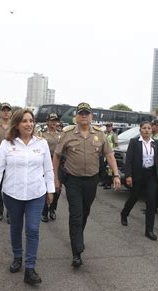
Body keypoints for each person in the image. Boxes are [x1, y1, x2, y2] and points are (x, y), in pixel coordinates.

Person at [0, 109, 55, 286]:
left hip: (36, 194)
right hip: (12, 194)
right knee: (16, 227)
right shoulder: (7, 144)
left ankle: (30, 267)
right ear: (17, 124)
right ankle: (18, 256)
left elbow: (48, 169)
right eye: (24, 121)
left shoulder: (41, 144)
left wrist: (51, 190)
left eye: (31, 121)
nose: (29, 124)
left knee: (33, 229)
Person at [53, 102, 121, 268]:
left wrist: (116, 175)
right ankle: (77, 252)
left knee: (85, 212)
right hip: (73, 180)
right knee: (75, 213)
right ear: (76, 116)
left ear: (91, 117)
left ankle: (77, 236)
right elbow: (56, 156)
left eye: (87, 113)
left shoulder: (100, 134)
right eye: (81, 113)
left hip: (92, 180)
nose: (84, 116)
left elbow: (110, 155)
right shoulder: (67, 134)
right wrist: (55, 178)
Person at [120, 121, 158, 241]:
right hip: (138, 174)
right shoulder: (134, 142)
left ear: (151, 130)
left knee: (151, 202)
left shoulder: (155, 143)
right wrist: (128, 175)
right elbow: (129, 160)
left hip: (151, 175)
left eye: (149, 128)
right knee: (134, 197)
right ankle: (124, 214)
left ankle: (149, 230)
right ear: (140, 130)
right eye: (144, 128)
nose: (147, 130)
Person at [41, 113, 62, 223]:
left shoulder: (61, 134)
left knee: (57, 189)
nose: (54, 123)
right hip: (45, 163)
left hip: (58, 164)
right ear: (47, 122)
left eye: (56, 121)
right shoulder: (42, 135)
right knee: (45, 188)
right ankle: (44, 212)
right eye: (52, 120)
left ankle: (52, 209)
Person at [101, 122, 118, 189]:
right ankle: (104, 182)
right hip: (104, 153)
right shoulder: (104, 133)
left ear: (111, 127)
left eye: (109, 126)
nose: (108, 128)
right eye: (107, 126)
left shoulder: (113, 134)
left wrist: (112, 150)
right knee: (104, 168)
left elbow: (116, 144)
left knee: (109, 169)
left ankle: (108, 184)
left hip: (110, 153)